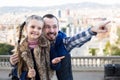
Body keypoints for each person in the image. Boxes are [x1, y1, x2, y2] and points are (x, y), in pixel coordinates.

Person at [10, 14, 110, 80]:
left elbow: (74, 40)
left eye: (55, 27)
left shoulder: (61, 41)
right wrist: (13, 62)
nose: (52, 31)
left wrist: (93, 30)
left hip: (56, 66)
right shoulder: (26, 43)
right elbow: (17, 69)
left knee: (64, 56)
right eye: (47, 27)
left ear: (58, 28)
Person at [10, 15, 54, 80]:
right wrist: (27, 75)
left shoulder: (47, 45)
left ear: (42, 30)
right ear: (26, 28)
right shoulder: (20, 48)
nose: (35, 30)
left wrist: (55, 63)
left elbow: (53, 66)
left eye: (39, 28)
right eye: (32, 27)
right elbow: (17, 72)